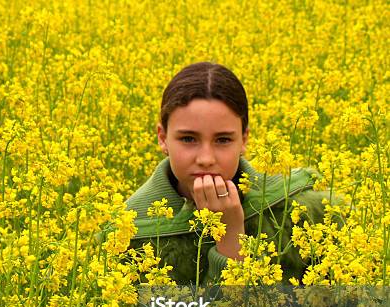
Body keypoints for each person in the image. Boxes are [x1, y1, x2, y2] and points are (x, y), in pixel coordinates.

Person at [124, 62, 330, 286]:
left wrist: (232, 235)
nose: (206, 159)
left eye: (223, 140)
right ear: (162, 138)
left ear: (244, 139)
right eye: (188, 139)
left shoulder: (300, 207)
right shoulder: (131, 229)